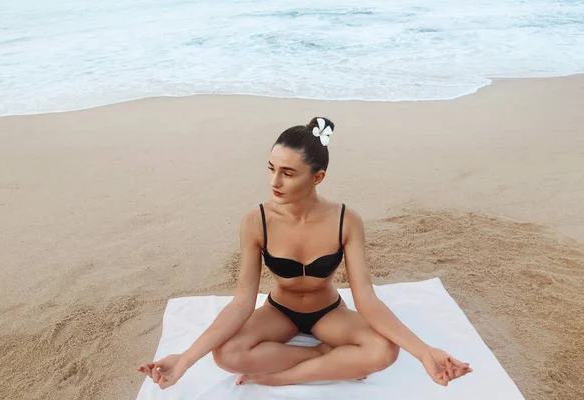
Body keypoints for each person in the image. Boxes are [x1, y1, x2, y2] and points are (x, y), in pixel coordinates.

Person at [138, 117, 472, 389]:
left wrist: (425, 352)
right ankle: (329, 359)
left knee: (385, 350)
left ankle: (284, 376)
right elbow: (242, 303)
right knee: (225, 354)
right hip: (279, 310)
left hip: (328, 311)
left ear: (318, 177)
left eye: (288, 173)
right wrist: (184, 359)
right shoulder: (256, 221)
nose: (275, 181)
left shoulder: (346, 220)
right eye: (271, 168)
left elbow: (367, 300)